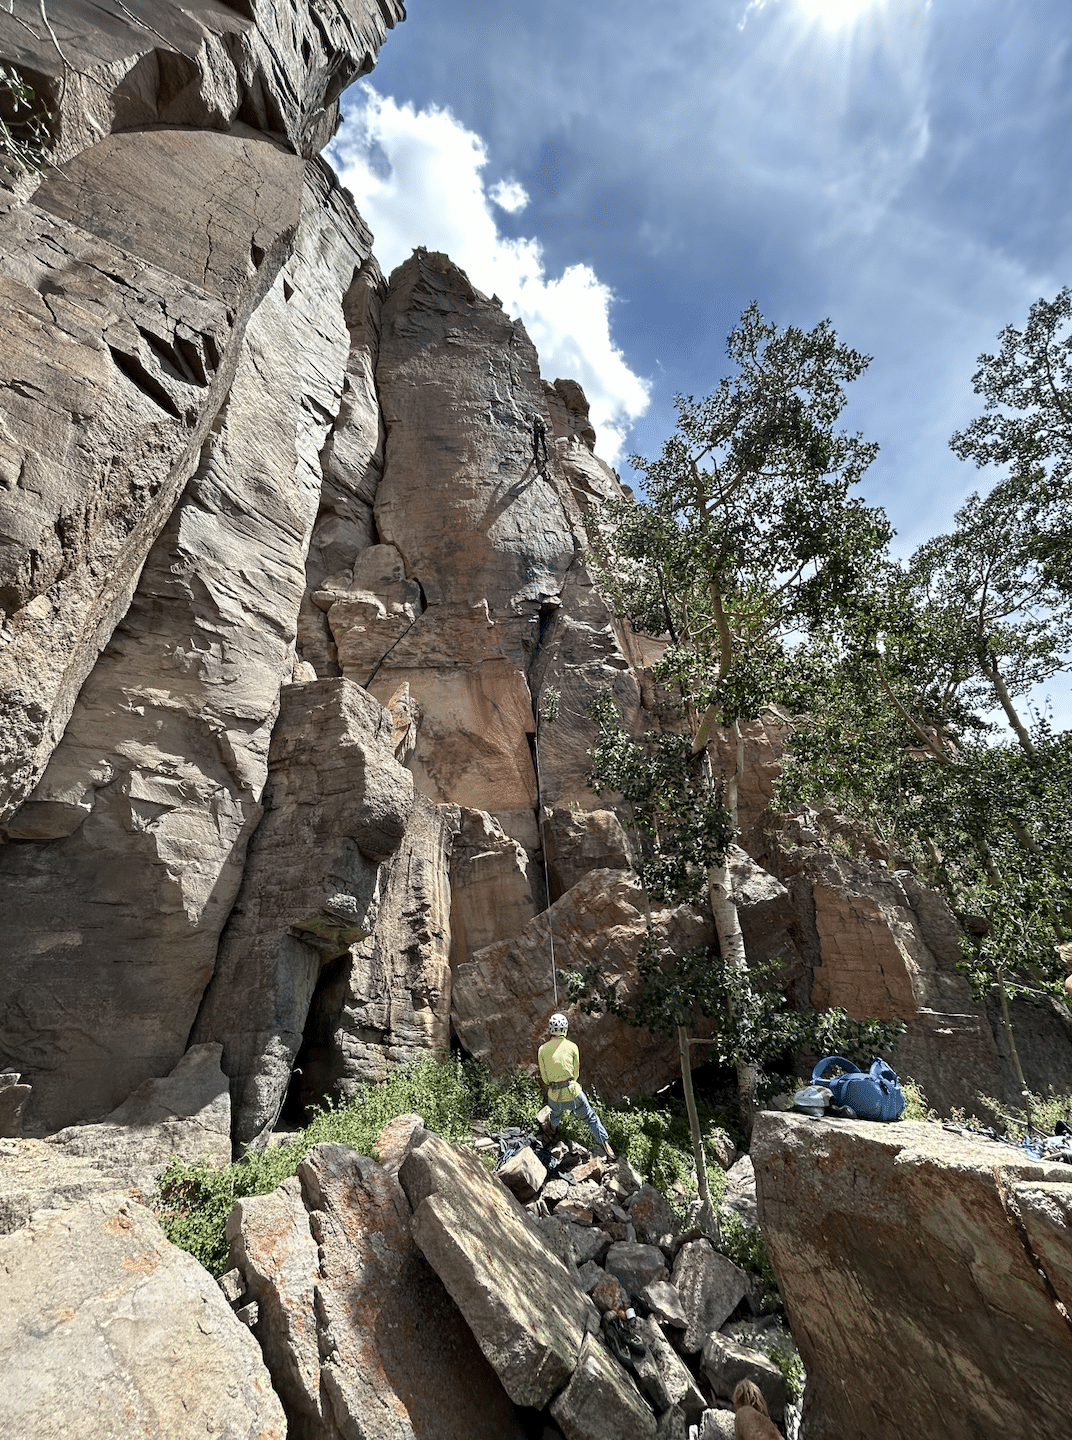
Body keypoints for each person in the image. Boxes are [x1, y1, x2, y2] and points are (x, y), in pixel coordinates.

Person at [537, 1012, 614, 1158]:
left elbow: (545, 1078)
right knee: (591, 1117)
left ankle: (552, 1131)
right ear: (565, 1029)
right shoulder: (572, 1047)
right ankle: (606, 1145)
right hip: (573, 1093)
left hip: (555, 1095)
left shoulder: (542, 1050)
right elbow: (575, 1073)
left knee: (555, 1113)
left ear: (550, 1029)